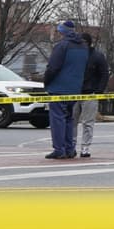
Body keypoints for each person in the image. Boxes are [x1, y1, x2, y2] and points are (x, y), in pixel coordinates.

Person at [43, 20, 88, 160]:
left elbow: (53, 68)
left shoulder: (62, 46)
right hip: (75, 88)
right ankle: (70, 148)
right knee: (69, 118)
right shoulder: (83, 47)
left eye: (58, 31)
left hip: (59, 88)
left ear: (62, 32)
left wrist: (46, 82)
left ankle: (59, 149)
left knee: (57, 119)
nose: (57, 34)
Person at [74, 32, 109, 158]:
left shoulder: (97, 57)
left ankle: (85, 147)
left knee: (88, 122)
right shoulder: (75, 56)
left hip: (90, 93)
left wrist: (99, 90)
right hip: (74, 93)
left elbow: (104, 74)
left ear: (88, 43)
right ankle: (72, 145)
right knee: (72, 121)